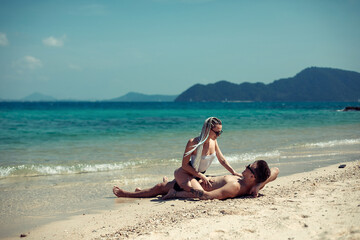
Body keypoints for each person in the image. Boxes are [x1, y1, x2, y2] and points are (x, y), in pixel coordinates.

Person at [113, 160, 279, 200]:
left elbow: (207, 197)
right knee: (162, 185)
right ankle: (154, 188)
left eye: (249, 166)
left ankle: (126, 194)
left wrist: (177, 194)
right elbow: (276, 171)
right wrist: (260, 185)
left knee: (160, 187)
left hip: (193, 188)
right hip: (198, 180)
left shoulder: (235, 187)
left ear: (252, 175)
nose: (245, 166)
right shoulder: (252, 183)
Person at [172, 117, 241, 194]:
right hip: (185, 173)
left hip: (198, 175)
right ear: (208, 129)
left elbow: (222, 159)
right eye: (217, 132)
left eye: (220, 132)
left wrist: (234, 172)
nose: (219, 135)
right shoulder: (193, 142)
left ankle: (173, 186)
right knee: (201, 193)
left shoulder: (214, 141)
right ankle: (173, 193)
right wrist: (201, 176)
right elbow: (184, 165)